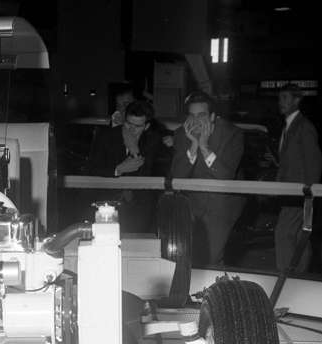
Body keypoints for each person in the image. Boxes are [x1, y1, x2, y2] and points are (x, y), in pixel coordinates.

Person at [170, 91, 245, 266]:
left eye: (201, 115)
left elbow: (226, 175)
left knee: (211, 259)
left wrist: (204, 147)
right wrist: (194, 145)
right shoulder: (182, 134)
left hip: (220, 206)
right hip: (191, 206)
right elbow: (177, 176)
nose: (196, 121)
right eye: (192, 115)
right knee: (186, 260)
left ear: (212, 117)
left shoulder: (232, 134)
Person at [89, 100, 162, 232]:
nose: (131, 129)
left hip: (140, 207)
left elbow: (151, 172)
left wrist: (134, 150)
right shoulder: (106, 136)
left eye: (138, 126)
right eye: (128, 124)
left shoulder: (153, 140)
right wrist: (118, 169)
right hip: (107, 205)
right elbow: (92, 168)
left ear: (146, 126)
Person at [273, 83, 322, 272]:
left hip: (299, 195)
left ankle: (285, 278)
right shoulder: (289, 126)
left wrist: (309, 195)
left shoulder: (304, 127)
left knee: (283, 233)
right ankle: (299, 278)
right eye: (280, 98)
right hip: (290, 195)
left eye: (285, 97)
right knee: (298, 237)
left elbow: (314, 164)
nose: (281, 102)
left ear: (297, 100)